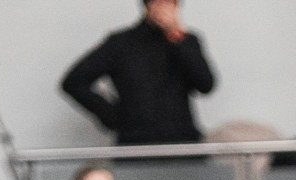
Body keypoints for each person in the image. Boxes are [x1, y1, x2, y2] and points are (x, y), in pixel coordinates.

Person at [60, 0, 217, 146]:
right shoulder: (120, 43)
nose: (164, 7)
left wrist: (177, 38)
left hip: (182, 144)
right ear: (147, 6)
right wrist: (113, 116)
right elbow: (74, 81)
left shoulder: (187, 41)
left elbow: (205, 85)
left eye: (170, 2)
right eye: (158, 2)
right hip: (135, 144)